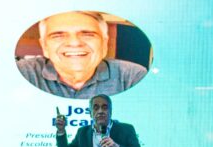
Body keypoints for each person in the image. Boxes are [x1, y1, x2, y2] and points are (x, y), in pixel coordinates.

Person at [17, 11, 147, 98]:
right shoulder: (23, 72)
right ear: (44, 46)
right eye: (58, 35)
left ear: (104, 43)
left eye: (88, 34)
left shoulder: (131, 76)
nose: (75, 43)